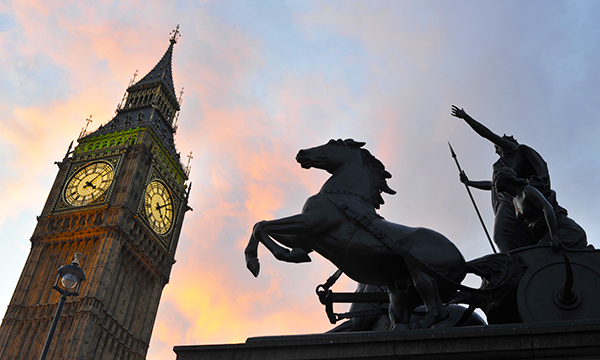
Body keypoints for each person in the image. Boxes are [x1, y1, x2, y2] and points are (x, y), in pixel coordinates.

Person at [451, 105, 557, 252]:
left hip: (513, 199)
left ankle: (513, 263)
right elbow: (492, 185)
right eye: (505, 139)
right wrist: (469, 183)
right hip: (508, 201)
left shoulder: (512, 150)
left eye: (507, 139)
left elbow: (486, 134)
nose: (509, 139)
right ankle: (516, 261)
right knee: (504, 235)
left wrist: (466, 117)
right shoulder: (502, 163)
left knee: (502, 234)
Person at [493, 167, 587, 249]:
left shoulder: (527, 191)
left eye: (496, 179)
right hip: (544, 236)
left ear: (504, 178)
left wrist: (554, 236)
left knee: (539, 254)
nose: (494, 183)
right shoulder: (514, 201)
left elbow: (547, 208)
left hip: (564, 231)